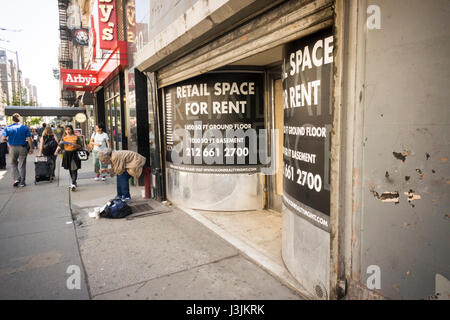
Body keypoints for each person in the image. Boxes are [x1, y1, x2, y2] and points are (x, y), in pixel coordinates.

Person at [1, 113, 34, 187]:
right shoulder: (24, 128)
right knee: (22, 165)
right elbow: (29, 139)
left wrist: (8, 141)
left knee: (13, 164)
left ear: (12, 120)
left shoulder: (8, 128)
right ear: (19, 119)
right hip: (22, 147)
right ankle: (22, 182)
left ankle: (17, 179)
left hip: (12, 148)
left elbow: (3, 138)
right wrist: (31, 148)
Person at [54, 124, 82, 191]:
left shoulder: (76, 137)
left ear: (72, 130)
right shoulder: (64, 138)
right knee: (70, 168)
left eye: (69, 129)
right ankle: (74, 181)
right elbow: (60, 145)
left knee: (74, 169)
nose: (68, 131)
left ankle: (73, 183)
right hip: (67, 154)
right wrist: (56, 151)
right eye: (66, 129)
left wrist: (75, 145)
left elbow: (80, 146)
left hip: (74, 154)